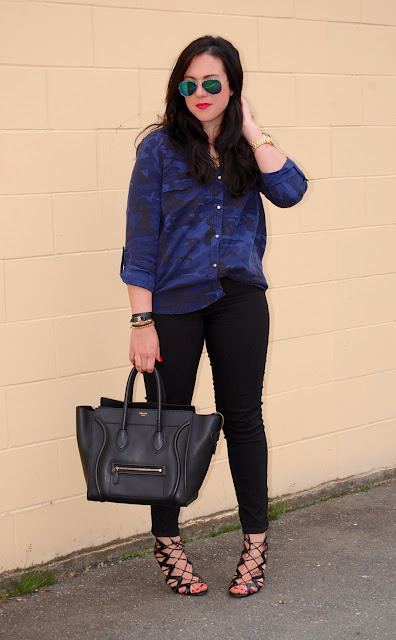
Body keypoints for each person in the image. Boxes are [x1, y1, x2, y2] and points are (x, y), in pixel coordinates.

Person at [120, 35, 308, 598]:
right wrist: (140, 322)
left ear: (233, 88)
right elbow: (141, 240)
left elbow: (291, 190)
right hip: (173, 304)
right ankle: (168, 543)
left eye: (212, 83)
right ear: (178, 88)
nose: (199, 93)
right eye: (189, 83)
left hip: (240, 300)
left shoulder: (248, 147)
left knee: (243, 418)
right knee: (168, 423)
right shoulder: (158, 149)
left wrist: (253, 129)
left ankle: (255, 543)